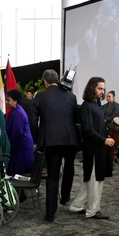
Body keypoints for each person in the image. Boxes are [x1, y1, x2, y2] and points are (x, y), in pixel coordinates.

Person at [33, 69, 80, 222]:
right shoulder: (71, 97)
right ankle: (65, 197)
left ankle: (50, 213)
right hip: (70, 139)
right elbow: (75, 119)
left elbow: (33, 121)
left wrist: (36, 138)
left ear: (45, 82)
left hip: (52, 141)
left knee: (53, 176)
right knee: (69, 168)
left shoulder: (40, 96)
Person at [69, 77, 115, 220]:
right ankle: (92, 210)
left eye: (103, 88)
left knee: (91, 178)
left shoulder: (96, 104)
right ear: (92, 88)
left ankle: (76, 205)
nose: (102, 91)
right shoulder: (87, 106)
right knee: (95, 179)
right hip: (94, 148)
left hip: (98, 147)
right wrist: (104, 140)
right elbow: (88, 129)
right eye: (99, 88)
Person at [5, 89, 34, 177]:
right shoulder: (16, 110)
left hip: (20, 151)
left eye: (8, 100)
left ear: (15, 100)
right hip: (20, 148)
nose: (6, 102)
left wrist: (8, 146)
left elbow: (16, 133)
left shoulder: (18, 113)